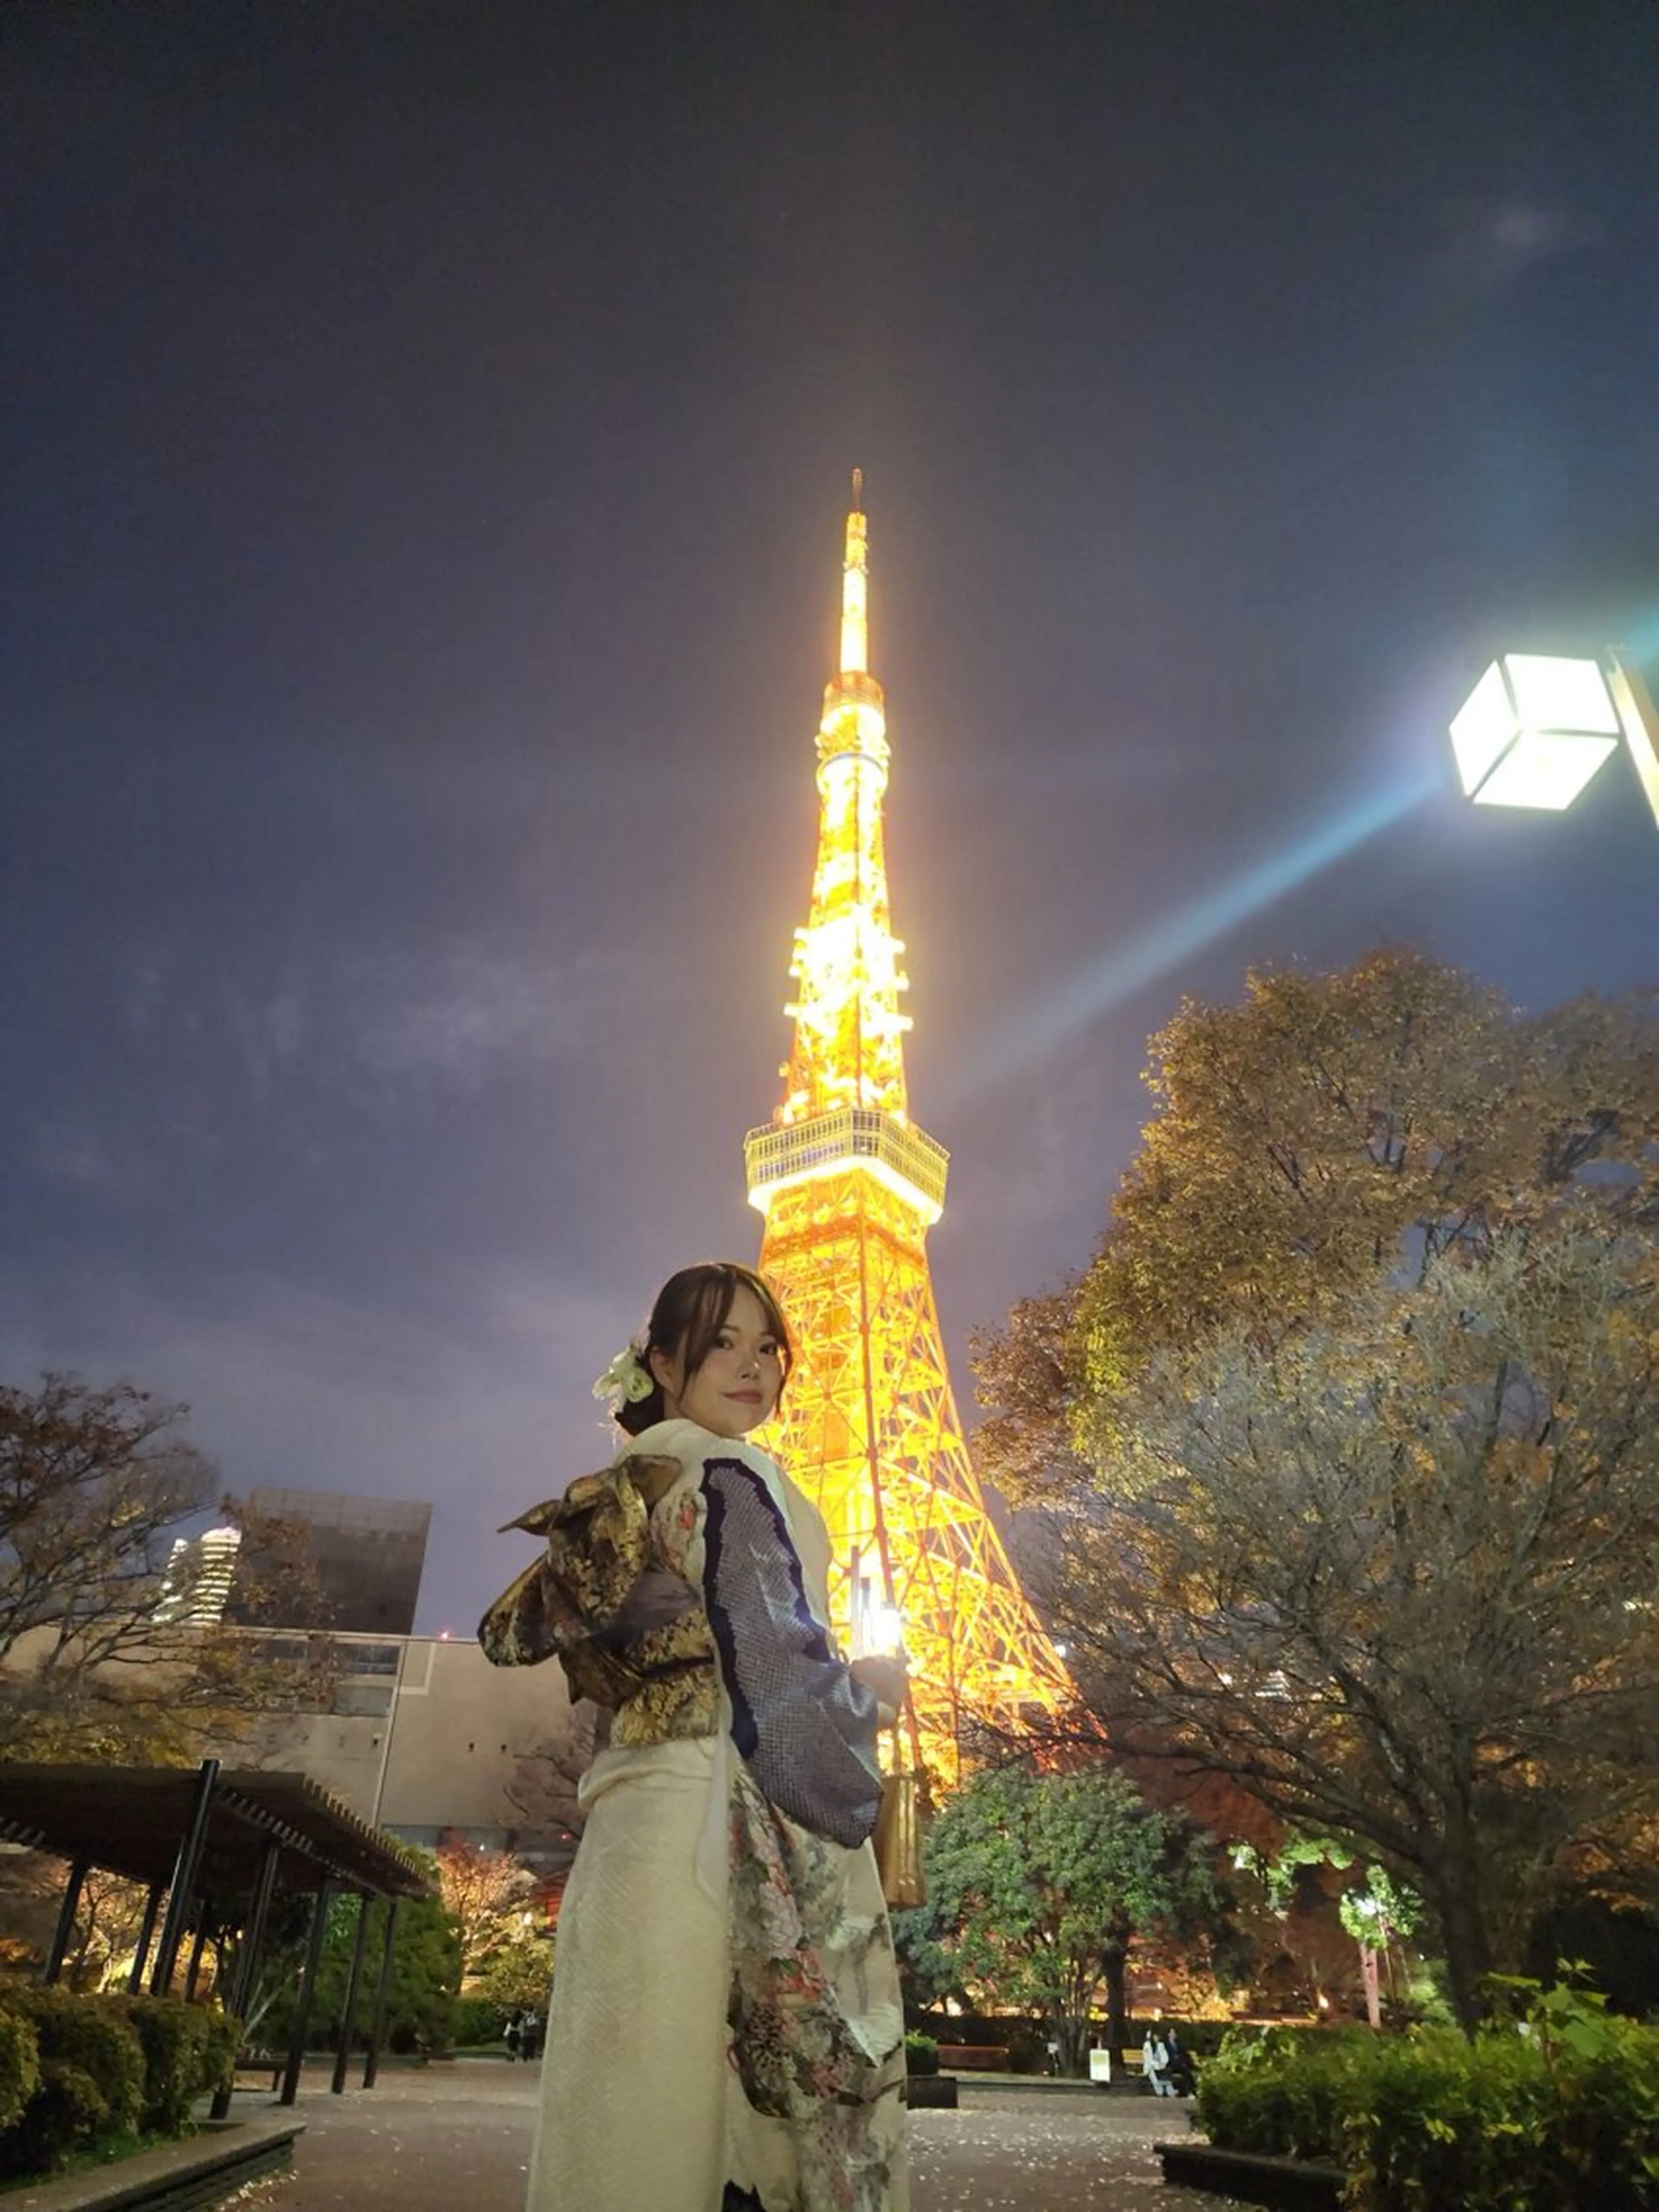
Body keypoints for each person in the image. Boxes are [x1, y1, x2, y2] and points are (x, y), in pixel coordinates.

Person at [481, 1261, 909, 2212]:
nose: (755, 1366)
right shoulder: (732, 1471)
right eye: (725, 1342)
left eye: (769, 1346)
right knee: (740, 2123)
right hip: (714, 1833)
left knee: (627, 2110)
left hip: (633, 1819)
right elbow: (775, 1671)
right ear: (664, 1364)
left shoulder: (635, 1479)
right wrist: (867, 1704)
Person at [1142, 2028, 1173, 2096]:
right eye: (1154, 2037)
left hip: (1160, 2067)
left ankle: (1170, 2092)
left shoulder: (1161, 2045)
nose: (1156, 2038)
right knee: (1151, 2072)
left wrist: (1161, 2064)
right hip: (1150, 2067)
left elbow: (1165, 2058)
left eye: (1157, 2037)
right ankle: (1160, 2092)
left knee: (1165, 2075)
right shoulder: (1147, 2046)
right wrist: (1155, 2064)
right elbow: (1148, 2059)